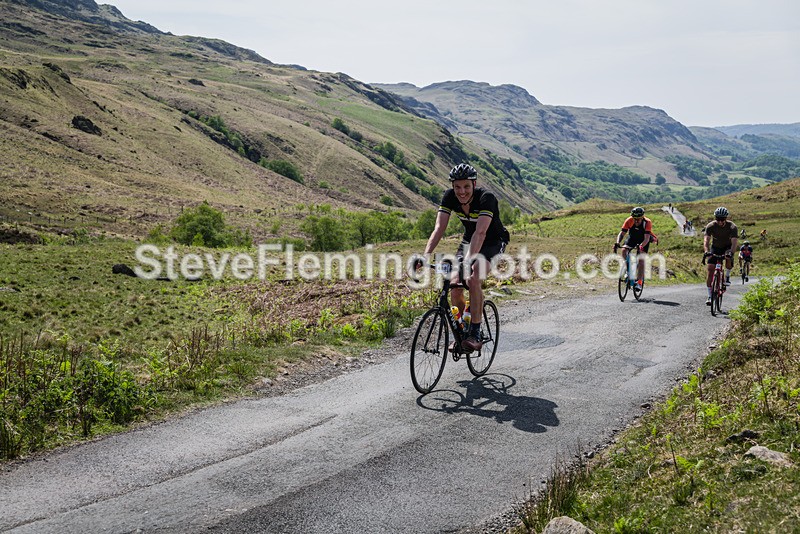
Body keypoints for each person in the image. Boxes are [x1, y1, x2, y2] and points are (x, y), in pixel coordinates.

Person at [421, 163, 510, 352]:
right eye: (457, 187)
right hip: (469, 240)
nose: (461, 191)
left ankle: (475, 333)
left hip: (493, 240)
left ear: (474, 184)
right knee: (454, 285)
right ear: (453, 186)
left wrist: (468, 263)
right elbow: (439, 228)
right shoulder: (449, 197)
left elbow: (481, 232)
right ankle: (463, 330)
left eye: (466, 187)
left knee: (474, 276)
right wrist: (425, 255)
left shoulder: (487, 199)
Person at [702, 206, 738, 305]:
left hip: (727, 247)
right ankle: (710, 296)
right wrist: (706, 251)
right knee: (710, 270)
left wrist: (731, 252)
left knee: (727, 258)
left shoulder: (732, 227)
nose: (720, 221)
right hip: (715, 247)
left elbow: (734, 242)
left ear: (726, 218)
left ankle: (727, 276)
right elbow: (706, 240)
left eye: (722, 219)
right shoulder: (711, 226)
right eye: (718, 219)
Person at [613, 207, 653, 291]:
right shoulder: (629, 220)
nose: (636, 221)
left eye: (639, 219)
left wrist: (641, 246)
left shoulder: (647, 222)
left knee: (641, 260)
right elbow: (622, 233)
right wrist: (617, 242)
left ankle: (639, 282)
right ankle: (628, 271)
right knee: (624, 250)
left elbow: (646, 238)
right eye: (635, 219)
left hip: (643, 240)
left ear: (642, 217)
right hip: (632, 238)